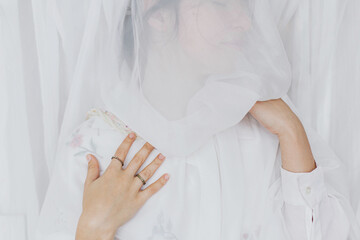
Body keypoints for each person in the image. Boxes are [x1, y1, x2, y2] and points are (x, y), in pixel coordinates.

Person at [37, 0, 360, 239]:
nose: (245, 22)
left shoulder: (259, 136)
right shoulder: (95, 147)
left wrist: (292, 132)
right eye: (222, 3)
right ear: (158, 14)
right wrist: (93, 228)